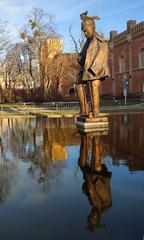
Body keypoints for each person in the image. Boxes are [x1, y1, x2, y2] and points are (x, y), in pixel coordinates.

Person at [76, 11, 110, 117]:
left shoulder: (100, 40)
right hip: (85, 70)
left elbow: (103, 54)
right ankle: (84, 111)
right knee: (79, 86)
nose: (85, 33)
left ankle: (95, 112)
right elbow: (82, 56)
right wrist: (80, 58)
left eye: (86, 31)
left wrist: (93, 70)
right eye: (84, 32)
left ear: (92, 27)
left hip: (95, 70)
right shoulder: (87, 42)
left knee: (93, 87)